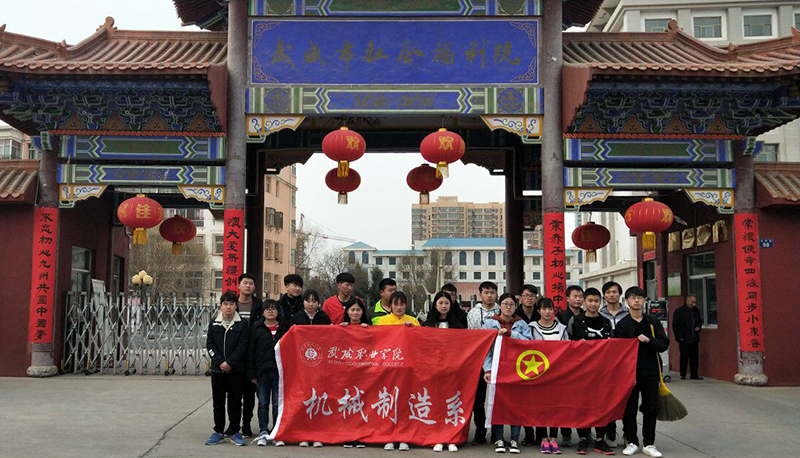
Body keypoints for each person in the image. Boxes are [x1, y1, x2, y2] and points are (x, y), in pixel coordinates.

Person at [615, 287, 669, 458]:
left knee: (650, 408)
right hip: (629, 373)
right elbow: (617, 350)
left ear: (644, 300)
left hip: (651, 372)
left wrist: (649, 340)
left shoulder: (652, 322)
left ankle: (649, 443)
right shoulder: (622, 324)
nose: (636, 301)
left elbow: (663, 344)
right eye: (633, 298)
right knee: (629, 409)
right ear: (627, 301)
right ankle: (632, 441)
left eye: (640, 297)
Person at [566, 288, 615, 456]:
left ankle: (600, 439)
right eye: (590, 301)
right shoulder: (575, 321)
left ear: (601, 302)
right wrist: (576, 344)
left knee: (602, 405)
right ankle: (583, 438)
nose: (593, 304)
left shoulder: (606, 322)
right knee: (582, 405)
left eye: (596, 301)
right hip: (581, 371)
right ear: (584, 302)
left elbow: (613, 345)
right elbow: (567, 343)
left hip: (602, 372)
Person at [482, 293, 532, 454]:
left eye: (511, 304)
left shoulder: (522, 324)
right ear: (499, 305)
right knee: (497, 404)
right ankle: (499, 439)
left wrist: (511, 334)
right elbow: (485, 350)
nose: (508, 307)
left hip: (517, 370)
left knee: (516, 405)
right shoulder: (490, 324)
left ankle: (514, 439)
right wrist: (487, 369)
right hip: (497, 370)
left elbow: (529, 343)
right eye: (505, 304)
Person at [205, 291, 250, 446]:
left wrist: (230, 362)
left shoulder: (242, 324)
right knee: (218, 402)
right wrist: (220, 362)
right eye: (225, 304)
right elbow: (210, 345)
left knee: (235, 402)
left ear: (236, 305)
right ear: (221, 306)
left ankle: (234, 432)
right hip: (218, 370)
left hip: (236, 370)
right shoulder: (214, 323)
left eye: (231, 304)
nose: (228, 307)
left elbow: (243, 345)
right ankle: (218, 431)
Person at [529, 298, 568, 455]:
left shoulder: (561, 328)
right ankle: (543, 438)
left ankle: (553, 438)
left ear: (554, 311)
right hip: (539, 373)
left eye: (550, 309)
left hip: (557, 374)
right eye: (544, 309)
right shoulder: (532, 328)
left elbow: (568, 349)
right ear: (538, 310)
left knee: (555, 406)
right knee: (540, 407)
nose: (547, 312)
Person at [247, 300, 289, 447]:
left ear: (278, 311)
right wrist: (252, 373)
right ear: (263, 312)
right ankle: (263, 431)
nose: (270, 311)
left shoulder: (285, 328)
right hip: (262, 373)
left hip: (279, 373)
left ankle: (277, 432)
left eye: (273, 309)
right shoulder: (256, 327)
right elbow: (251, 351)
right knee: (263, 403)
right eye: (267, 309)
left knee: (278, 404)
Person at [467, 281, 501, 446]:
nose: (489, 295)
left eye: (492, 292)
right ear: (480, 294)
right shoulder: (473, 313)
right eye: (486, 292)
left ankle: (496, 433)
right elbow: (472, 337)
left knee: (498, 398)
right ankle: (480, 432)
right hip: (478, 360)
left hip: (499, 358)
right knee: (478, 399)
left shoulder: (501, 310)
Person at [599, 281, 629, 446]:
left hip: (626, 363)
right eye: (608, 292)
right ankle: (610, 432)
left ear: (620, 294)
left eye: (615, 292)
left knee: (627, 398)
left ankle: (628, 433)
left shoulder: (629, 314)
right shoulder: (599, 315)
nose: (612, 295)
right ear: (604, 296)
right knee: (608, 398)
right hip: (605, 364)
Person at [338, 300, 370, 448]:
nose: (355, 313)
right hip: (346, 374)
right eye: (352, 310)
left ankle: (361, 435)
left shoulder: (369, 328)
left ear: (363, 312)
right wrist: (339, 329)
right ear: (347, 312)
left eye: (358, 310)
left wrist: (369, 330)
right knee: (348, 403)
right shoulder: (341, 328)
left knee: (362, 405)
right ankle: (348, 435)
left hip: (364, 374)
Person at [235, 273, 262, 438]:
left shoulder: (259, 305)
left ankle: (246, 425)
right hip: (235, 355)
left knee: (250, 395)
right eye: (245, 283)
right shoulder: (231, 303)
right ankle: (233, 425)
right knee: (235, 394)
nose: (248, 286)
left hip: (253, 355)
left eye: (251, 283)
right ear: (238, 285)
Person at [672, 294, 703, 380]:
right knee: (684, 356)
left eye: (695, 302)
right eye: (692, 302)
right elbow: (675, 325)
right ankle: (683, 374)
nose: (694, 304)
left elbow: (699, 321)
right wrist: (679, 337)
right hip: (684, 338)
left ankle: (694, 374)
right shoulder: (679, 311)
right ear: (687, 301)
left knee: (695, 357)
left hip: (694, 337)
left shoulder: (696, 310)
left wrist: (698, 327)